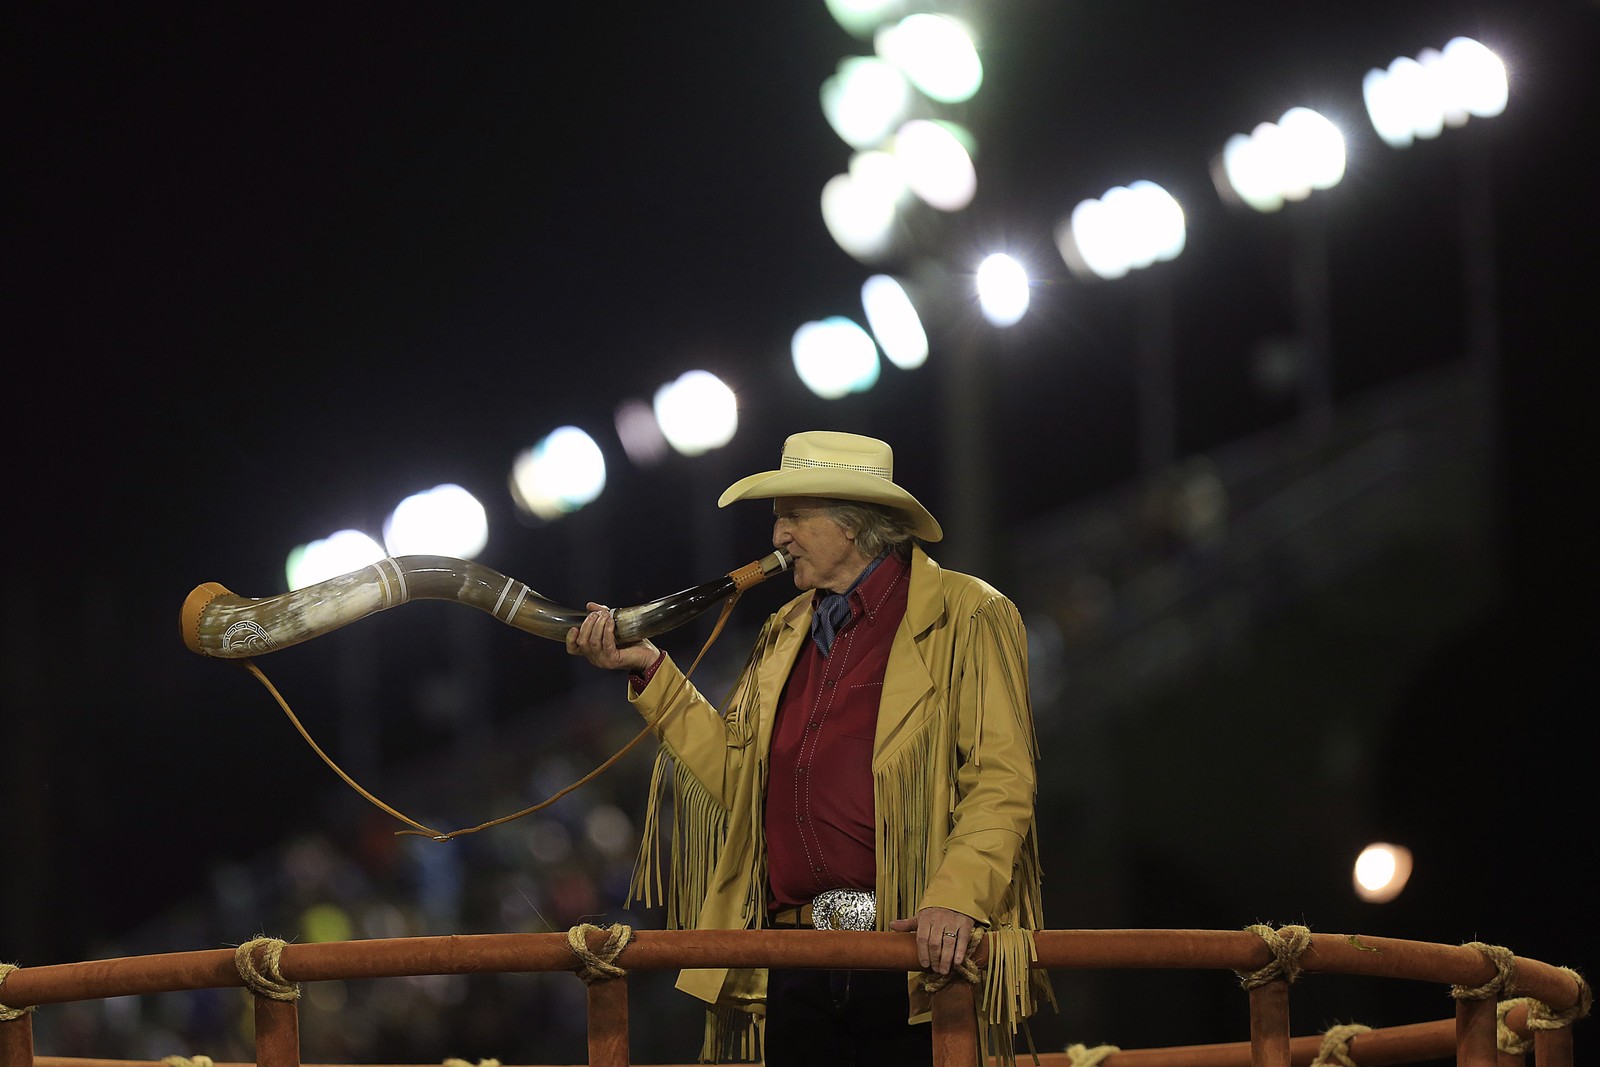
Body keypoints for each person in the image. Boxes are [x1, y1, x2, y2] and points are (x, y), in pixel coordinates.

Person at [567, 430, 1049, 1065]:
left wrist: (957, 899)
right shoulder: (785, 628)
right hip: (796, 960)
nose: (777, 537)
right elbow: (740, 780)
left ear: (851, 523)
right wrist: (651, 669)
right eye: (778, 519)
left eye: (793, 516)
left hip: (915, 959)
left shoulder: (970, 614)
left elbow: (1000, 778)